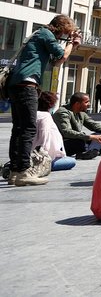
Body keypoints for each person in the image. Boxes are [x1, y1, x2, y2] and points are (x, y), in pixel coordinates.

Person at [5, 14, 80, 186]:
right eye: (66, 32)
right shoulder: (46, 34)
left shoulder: (40, 34)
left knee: (19, 128)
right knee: (28, 128)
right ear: (61, 28)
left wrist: (70, 44)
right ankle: (23, 170)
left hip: (17, 84)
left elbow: (56, 62)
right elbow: (62, 54)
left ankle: (15, 172)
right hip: (27, 84)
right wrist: (70, 43)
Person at [53, 92, 101, 159]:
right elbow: (67, 132)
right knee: (80, 142)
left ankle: (92, 150)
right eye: (86, 102)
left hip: (77, 139)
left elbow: (94, 125)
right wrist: (90, 137)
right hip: (63, 143)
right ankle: (93, 149)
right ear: (77, 104)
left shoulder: (81, 113)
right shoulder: (63, 113)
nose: (89, 104)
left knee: (99, 134)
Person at [32, 91, 76, 171]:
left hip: (31, 153)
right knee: (72, 161)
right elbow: (44, 135)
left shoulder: (33, 115)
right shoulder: (46, 116)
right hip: (43, 157)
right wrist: (43, 154)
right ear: (51, 104)